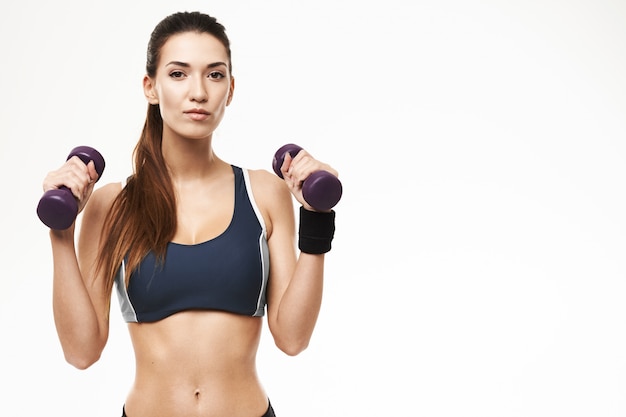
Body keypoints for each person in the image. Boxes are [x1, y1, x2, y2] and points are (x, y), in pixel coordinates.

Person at [42, 11, 338, 417]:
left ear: (230, 90)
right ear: (151, 86)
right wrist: (62, 232)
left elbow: (293, 338)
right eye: (178, 74)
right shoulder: (112, 205)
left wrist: (317, 218)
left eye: (214, 75)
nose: (198, 92)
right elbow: (81, 352)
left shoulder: (263, 193)